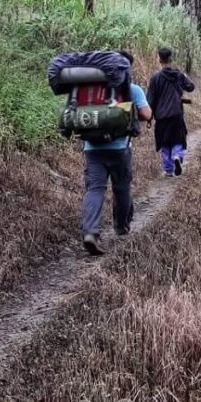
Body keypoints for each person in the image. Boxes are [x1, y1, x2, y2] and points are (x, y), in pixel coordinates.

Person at [82, 50, 152, 255]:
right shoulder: (132, 89)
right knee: (122, 189)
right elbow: (147, 114)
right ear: (128, 68)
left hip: (92, 149)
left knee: (95, 189)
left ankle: (90, 232)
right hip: (120, 149)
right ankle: (121, 226)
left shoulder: (91, 88)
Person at [147, 46, 195, 177]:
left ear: (159, 59)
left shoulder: (155, 78)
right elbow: (191, 87)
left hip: (161, 116)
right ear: (170, 58)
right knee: (178, 139)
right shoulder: (178, 75)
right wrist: (184, 76)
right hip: (176, 114)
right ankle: (177, 156)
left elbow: (150, 100)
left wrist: (149, 117)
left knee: (164, 142)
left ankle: (168, 169)